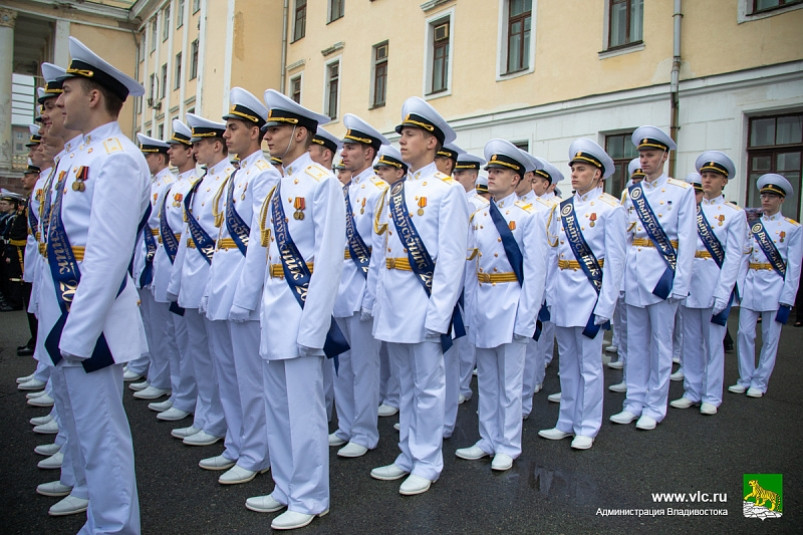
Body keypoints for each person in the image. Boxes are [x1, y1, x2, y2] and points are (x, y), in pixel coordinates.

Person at [43, 35, 149, 533]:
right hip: (73, 314)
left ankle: (113, 527)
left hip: (94, 324)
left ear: (93, 96)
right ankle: (102, 521)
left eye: (67, 89)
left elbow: (106, 260)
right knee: (88, 433)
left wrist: (78, 335)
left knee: (103, 435)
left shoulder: (118, 157)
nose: (58, 99)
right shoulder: (77, 155)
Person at [243, 89, 344, 531]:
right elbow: (261, 251)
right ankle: (285, 485)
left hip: (302, 309)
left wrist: (314, 324)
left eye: (276, 129)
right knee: (278, 407)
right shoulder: (277, 185)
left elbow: (328, 262)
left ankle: (310, 495)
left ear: (299, 134)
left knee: (304, 411)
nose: (267, 137)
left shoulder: (324, 184)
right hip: (274, 309)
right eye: (266, 130)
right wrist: (246, 304)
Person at [369, 96, 468, 496]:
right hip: (394, 300)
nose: (403, 141)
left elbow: (451, 260)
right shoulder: (395, 190)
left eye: (410, 135)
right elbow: (382, 251)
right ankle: (407, 453)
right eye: (402, 135)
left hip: (425, 302)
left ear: (431, 142)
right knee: (406, 383)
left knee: (428, 386)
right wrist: (376, 299)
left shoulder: (449, 191)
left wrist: (439, 314)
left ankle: (428, 461)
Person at [204, 87, 281, 485]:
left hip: (245, 291)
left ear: (254, 131)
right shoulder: (236, 175)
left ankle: (256, 452)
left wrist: (246, 295)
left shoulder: (265, 174)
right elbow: (223, 239)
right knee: (229, 373)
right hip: (225, 285)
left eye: (233, 128)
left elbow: (261, 241)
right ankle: (237, 443)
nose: (226, 136)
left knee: (251, 379)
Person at [455, 139, 546, 470]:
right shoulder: (479, 216)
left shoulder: (529, 216)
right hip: (483, 303)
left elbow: (535, 274)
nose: (490, 175)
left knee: (510, 382)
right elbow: (470, 266)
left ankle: (509, 443)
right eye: (489, 170)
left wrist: (527, 319)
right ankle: (487, 438)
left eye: (499, 171)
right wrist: (468, 309)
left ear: (516, 178)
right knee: (488, 379)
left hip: (511, 305)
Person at [538, 139, 626, 450]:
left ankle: (588, 426)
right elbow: (552, 255)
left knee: (590, 365)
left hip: (591, 294)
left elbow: (615, 262)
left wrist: (606, 305)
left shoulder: (611, 209)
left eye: (582, 169)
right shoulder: (562, 209)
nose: (574, 174)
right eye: (573, 168)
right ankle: (566, 421)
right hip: (563, 294)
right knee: (567, 364)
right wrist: (549, 294)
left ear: (598, 174)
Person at [610, 125, 696, 431]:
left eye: (650, 155)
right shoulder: (631, 192)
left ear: (664, 156)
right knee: (635, 343)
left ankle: (654, 406)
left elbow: (687, 241)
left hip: (663, 274)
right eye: (642, 155)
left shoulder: (682, 191)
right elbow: (623, 238)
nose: (644, 161)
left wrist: (680, 283)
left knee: (661, 344)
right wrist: (619, 280)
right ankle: (633, 401)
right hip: (634, 274)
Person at [166, 113, 231, 447]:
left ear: (215, 145)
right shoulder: (200, 183)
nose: (193, 150)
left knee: (219, 357)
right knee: (200, 352)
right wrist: (176, 280)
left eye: (199, 143)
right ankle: (205, 414)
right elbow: (188, 237)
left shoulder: (228, 180)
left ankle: (218, 420)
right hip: (193, 273)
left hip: (213, 276)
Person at [328, 114, 388, 458]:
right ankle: (346, 424)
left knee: (365, 365)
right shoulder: (342, 189)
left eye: (350, 147)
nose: (344, 152)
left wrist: (372, 296)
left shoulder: (379, 192)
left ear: (368, 153)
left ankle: (365, 432)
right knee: (341, 362)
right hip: (339, 286)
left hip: (363, 284)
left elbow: (378, 252)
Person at [670, 151, 747, 415]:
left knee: (713, 344)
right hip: (691, 283)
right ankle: (692, 390)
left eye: (713, 176)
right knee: (690, 341)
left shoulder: (734, 214)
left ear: (724, 181)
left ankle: (712, 395)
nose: (707, 180)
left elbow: (734, 256)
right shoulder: (690, 210)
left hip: (715, 284)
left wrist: (724, 292)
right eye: (704, 175)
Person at [731, 173, 801, 398]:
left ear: (781, 200)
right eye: (764, 195)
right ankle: (745, 377)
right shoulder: (754, 225)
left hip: (775, 285)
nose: (766, 200)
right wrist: (740, 286)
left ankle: (760, 382)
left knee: (770, 338)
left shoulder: (792, 228)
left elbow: (795, 266)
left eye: (772, 196)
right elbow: (744, 257)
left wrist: (788, 298)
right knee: (744, 333)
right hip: (752, 283)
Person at [150, 119, 199, 423]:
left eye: (176, 147)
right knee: (171, 334)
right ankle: (176, 390)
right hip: (170, 264)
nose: (170, 151)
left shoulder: (194, 184)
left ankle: (185, 396)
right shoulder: (172, 186)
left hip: (191, 268)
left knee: (187, 340)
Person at [131, 133, 176, 402]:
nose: (145, 160)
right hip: (151, 259)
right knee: (152, 325)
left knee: (166, 331)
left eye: (148, 155)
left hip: (163, 258)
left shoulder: (169, 183)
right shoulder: (156, 185)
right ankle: (156, 375)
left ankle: (163, 379)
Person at [372, 144, 406, 418]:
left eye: (385, 169)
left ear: (399, 171)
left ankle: (395, 396)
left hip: (411, 286)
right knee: (387, 352)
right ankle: (386, 392)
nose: (380, 173)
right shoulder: (386, 197)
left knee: (404, 359)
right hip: (389, 284)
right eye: (379, 168)